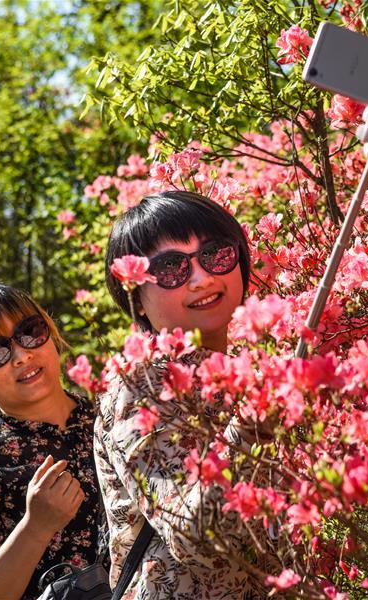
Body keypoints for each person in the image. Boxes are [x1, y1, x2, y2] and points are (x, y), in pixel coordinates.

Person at [96, 190, 274, 598]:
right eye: (172, 267)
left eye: (215, 254)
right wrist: (255, 420)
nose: (202, 278)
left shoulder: (252, 367)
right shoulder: (138, 386)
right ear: (136, 300)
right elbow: (195, 537)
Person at [0, 284, 104, 600]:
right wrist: (35, 528)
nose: (21, 355)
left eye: (30, 332)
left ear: (51, 334)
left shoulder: (115, 419)